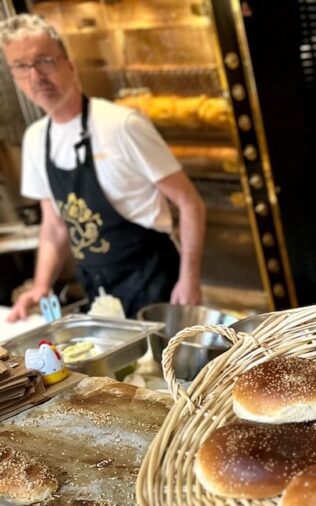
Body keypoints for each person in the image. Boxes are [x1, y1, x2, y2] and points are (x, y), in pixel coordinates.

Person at [1, 14, 206, 321]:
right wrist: (41, 285)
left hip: (155, 281)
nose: (36, 76)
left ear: (69, 65)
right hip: (99, 292)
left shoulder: (122, 125)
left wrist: (188, 279)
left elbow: (190, 203)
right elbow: (55, 226)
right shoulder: (35, 140)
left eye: (44, 61)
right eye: (22, 66)